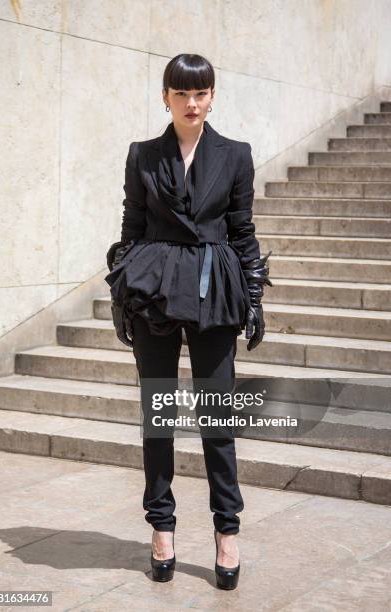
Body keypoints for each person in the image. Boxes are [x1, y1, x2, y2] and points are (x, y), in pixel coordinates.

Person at [105, 53, 272, 590]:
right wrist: (121, 294)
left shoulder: (235, 155)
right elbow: (132, 226)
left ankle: (227, 530)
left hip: (214, 290)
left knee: (217, 420)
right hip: (155, 291)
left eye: (201, 93)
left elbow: (241, 228)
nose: (192, 103)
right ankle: (162, 526)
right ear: (166, 97)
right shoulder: (144, 155)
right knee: (158, 414)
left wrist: (253, 295)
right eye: (182, 93)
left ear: (213, 96)